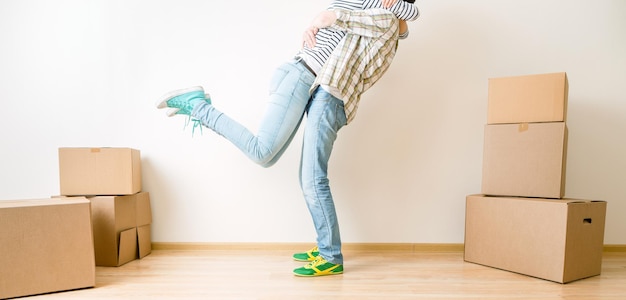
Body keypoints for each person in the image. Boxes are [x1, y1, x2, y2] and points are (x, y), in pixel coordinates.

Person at [156, 0, 419, 276]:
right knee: (271, 157)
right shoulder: (371, 11)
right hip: (303, 75)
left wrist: (325, 19)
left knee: (292, 169)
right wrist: (320, 20)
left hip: (315, 83)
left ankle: (326, 249)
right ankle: (198, 106)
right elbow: (343, 17)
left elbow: (396, 20)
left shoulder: (384, 20)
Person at [156, 0, 418, 167]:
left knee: (267, 158)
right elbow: (406, 15)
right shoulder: (368, 4)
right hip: (300, 75)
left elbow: (406, 23)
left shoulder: (380, 13)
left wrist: (396, 6)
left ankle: (199, 107)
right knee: (262, 152)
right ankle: (198, 106)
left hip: (303, 78)